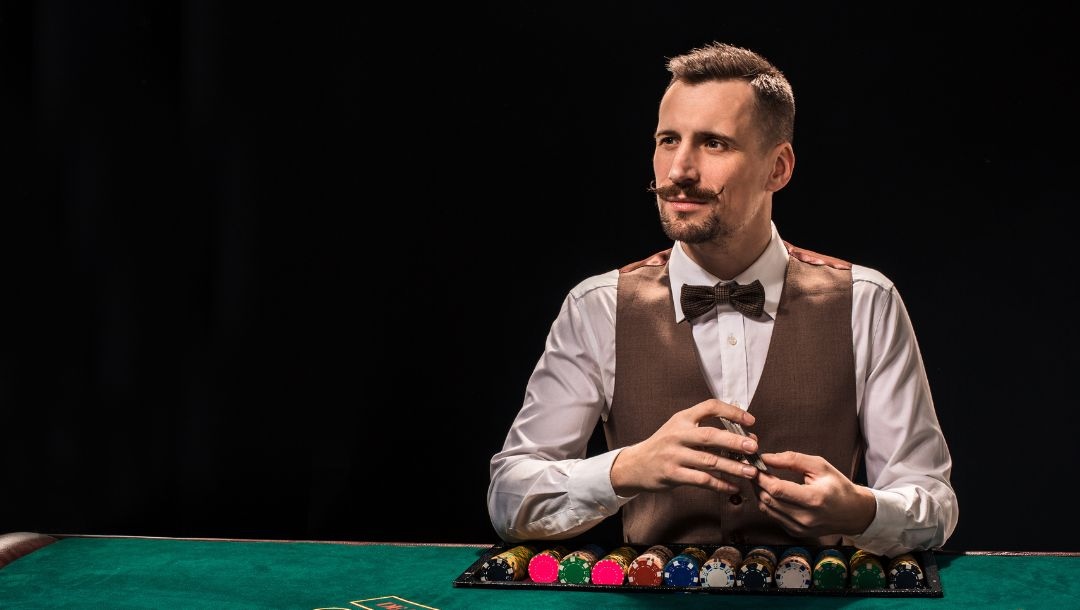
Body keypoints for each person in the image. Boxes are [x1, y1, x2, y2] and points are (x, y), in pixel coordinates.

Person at [486, 41, 958, 558]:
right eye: (668, 140)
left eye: (714, 144)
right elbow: (510, 500)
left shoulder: (868, 301)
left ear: (778, 168)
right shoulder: (597, 306)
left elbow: (932, 502)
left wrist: (862, 511)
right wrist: (624, 469)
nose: (678, 170)